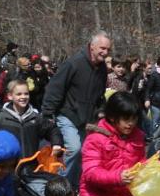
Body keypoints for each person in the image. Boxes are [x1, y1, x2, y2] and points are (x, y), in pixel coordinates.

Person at [42, 32, 111, 185]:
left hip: (85, 119)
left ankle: (73, 188)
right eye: (102, 48)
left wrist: (100, 111)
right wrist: (47, 114)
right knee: (74, 148)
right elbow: (55, 88)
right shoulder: (74, 63)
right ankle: (60, 188)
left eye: (108, 50)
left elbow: (100, 95)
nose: (105, 53)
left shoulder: (102, 70)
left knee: (84, 153)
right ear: (92, 46)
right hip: (67, 114)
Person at [79, 91, 147, 196]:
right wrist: (118, 177)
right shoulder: (96, 139)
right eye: (126, 119)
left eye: (134, 119)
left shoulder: (137, 137)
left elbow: (141, 162)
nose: (130, 123)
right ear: (112, 117)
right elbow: (90, 173)